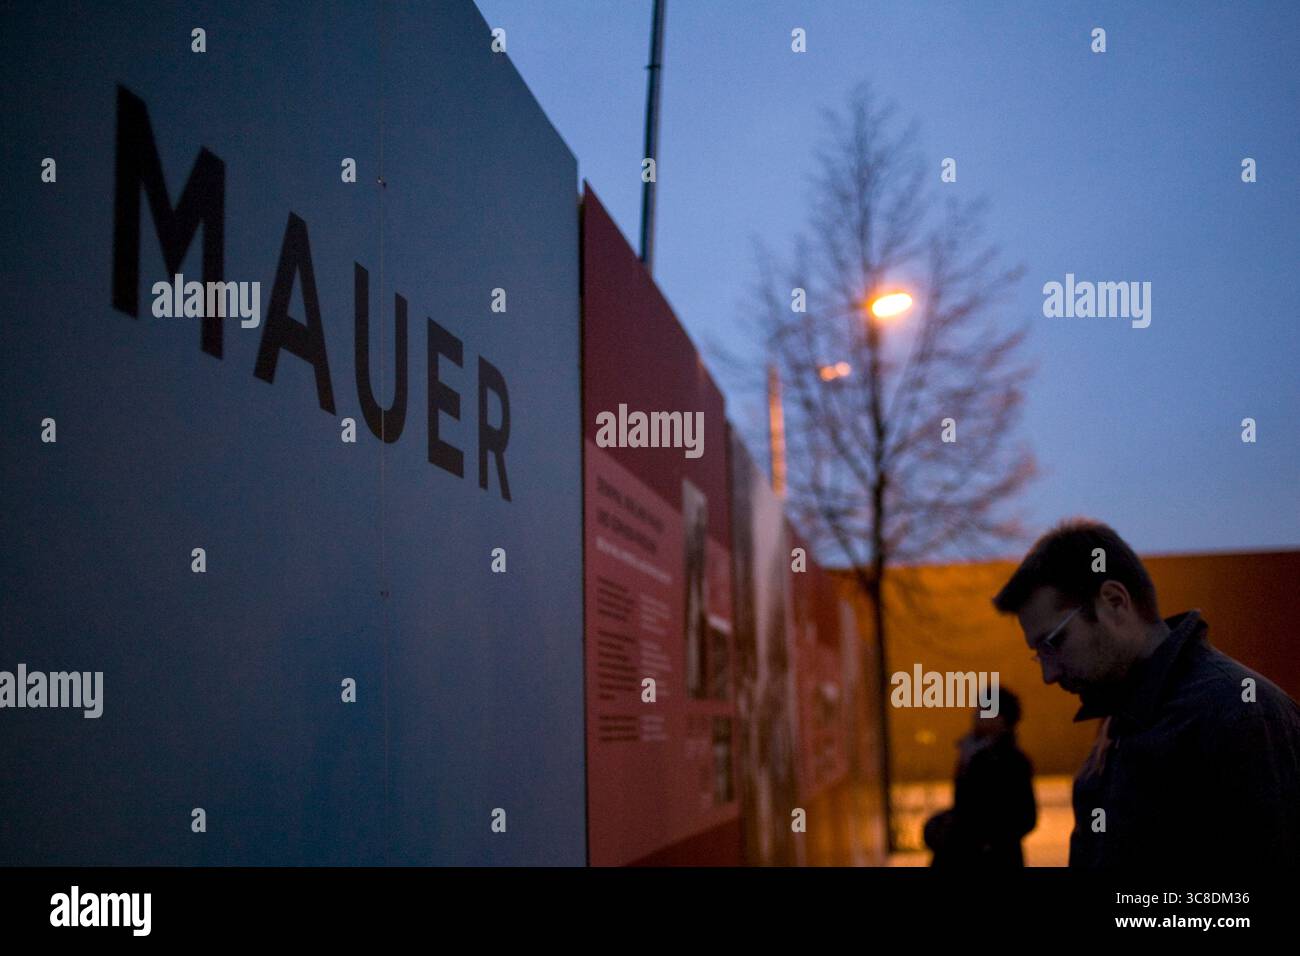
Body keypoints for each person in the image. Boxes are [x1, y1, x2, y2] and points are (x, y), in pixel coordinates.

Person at [991, 518, 1300, 871]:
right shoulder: (1118, 718)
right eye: (1039, 653)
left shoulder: (1240, 713)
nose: (1049, 673)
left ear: (1114, 602)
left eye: (1054, 642)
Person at [925, 688, 1037, 868]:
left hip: (993, 857)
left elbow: (1025, 817)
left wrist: (987, 839)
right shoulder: (971, 753)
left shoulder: (1012, 761)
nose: (975, 715)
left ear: (1001, 719)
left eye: (983, 710)